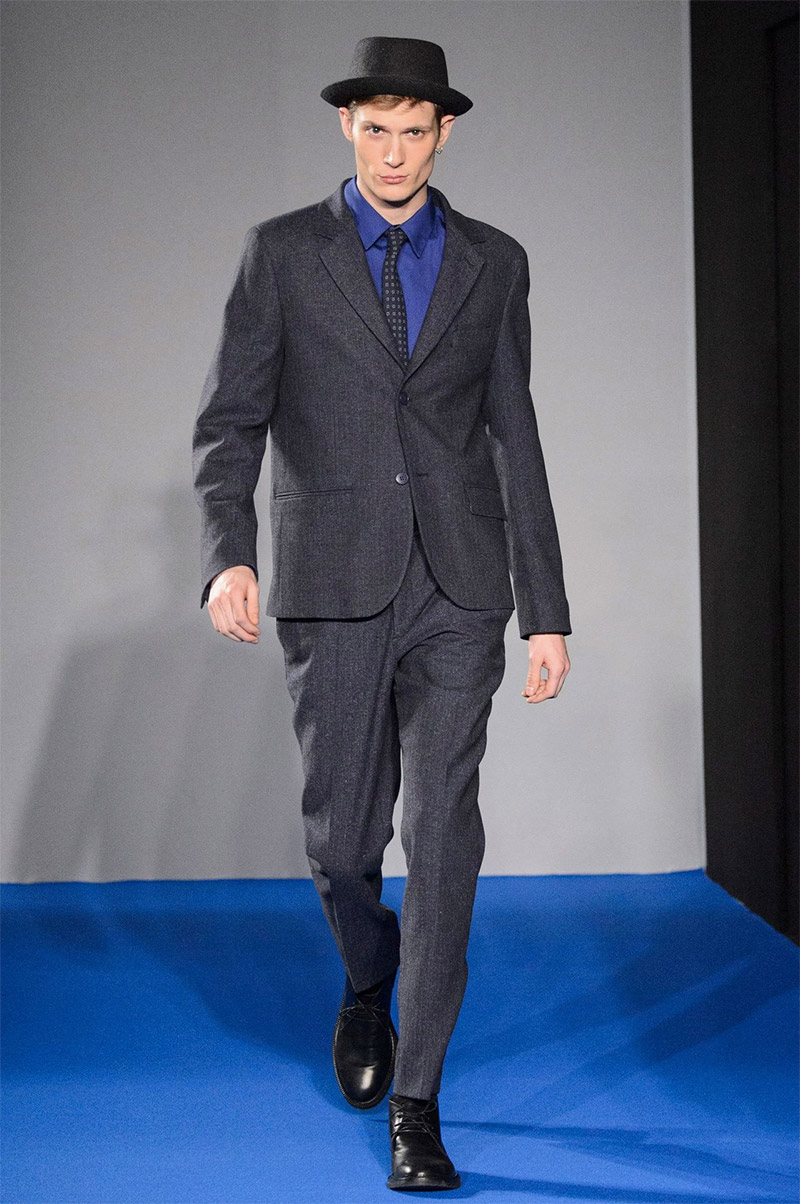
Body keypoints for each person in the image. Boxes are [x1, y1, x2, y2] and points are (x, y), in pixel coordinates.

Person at [192, 35, 571, 1193]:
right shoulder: (282, 253)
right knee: (342, 841)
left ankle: (417, 1103)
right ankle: (367, 977)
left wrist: (545, 608)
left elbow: (512, 431)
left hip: (459, 586)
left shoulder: (493, 261)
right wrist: (227, 556)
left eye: (413, 132)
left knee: (444, 835)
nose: (393, 152)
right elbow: (230, 421)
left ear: (442, 133)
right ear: (345, 127)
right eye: (375, 130)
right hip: (333, 584)